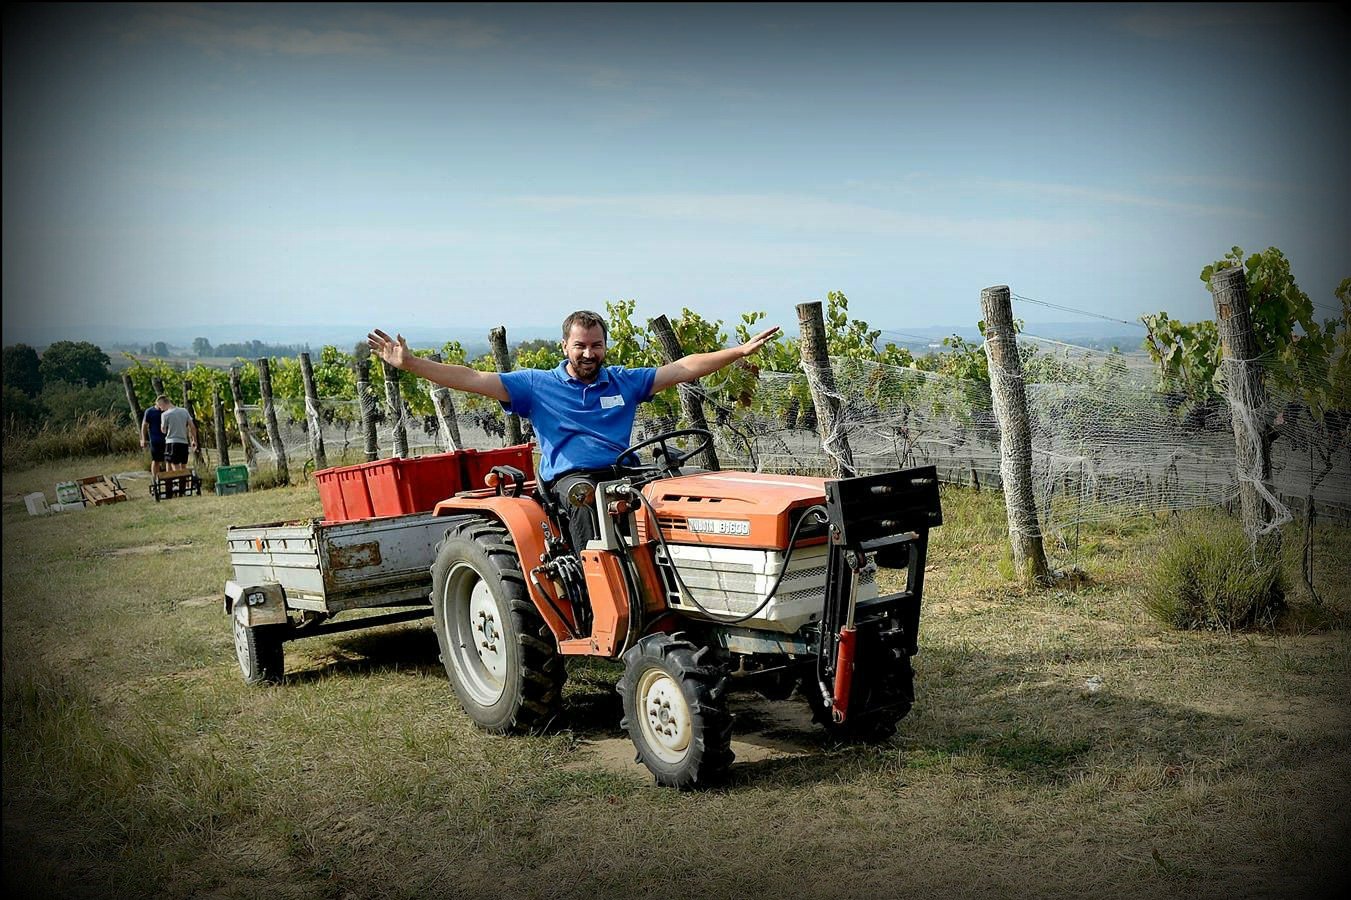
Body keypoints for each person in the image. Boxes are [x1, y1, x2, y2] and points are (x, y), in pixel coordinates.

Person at [368, 310, 779, 550]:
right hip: (571, 480)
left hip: (622, 470)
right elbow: (473, 377)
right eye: (580, 345)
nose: (588, 353)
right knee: (586, 498)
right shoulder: (536, 385)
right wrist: (413, 364)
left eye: (596, 345)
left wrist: (737, 352)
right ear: (565, 345)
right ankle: (591, 582)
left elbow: (683, 367)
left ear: (605, 346)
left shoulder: (623, 381)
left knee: (681, 490)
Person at [157, 395, 198, 475]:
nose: (161, 409)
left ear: (163, 404)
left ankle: (178, 483)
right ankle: (184, 485)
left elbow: (163, 430)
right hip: (183, 442)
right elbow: (192, 427)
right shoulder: (184, 411)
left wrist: (163, 427)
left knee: (174, 465)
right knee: (183, 465)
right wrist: (194, 440)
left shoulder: (165, 414)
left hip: (172, 442)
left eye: (160, 406)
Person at [140, 399, 166, 480]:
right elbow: (144, 425)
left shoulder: (166, 411)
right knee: (156, 460)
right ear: (157, 403)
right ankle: (155, 480)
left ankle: (169, 479)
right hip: (155, 440)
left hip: (167, 439)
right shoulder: (150, 411)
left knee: (168, 461)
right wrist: (143, 439)